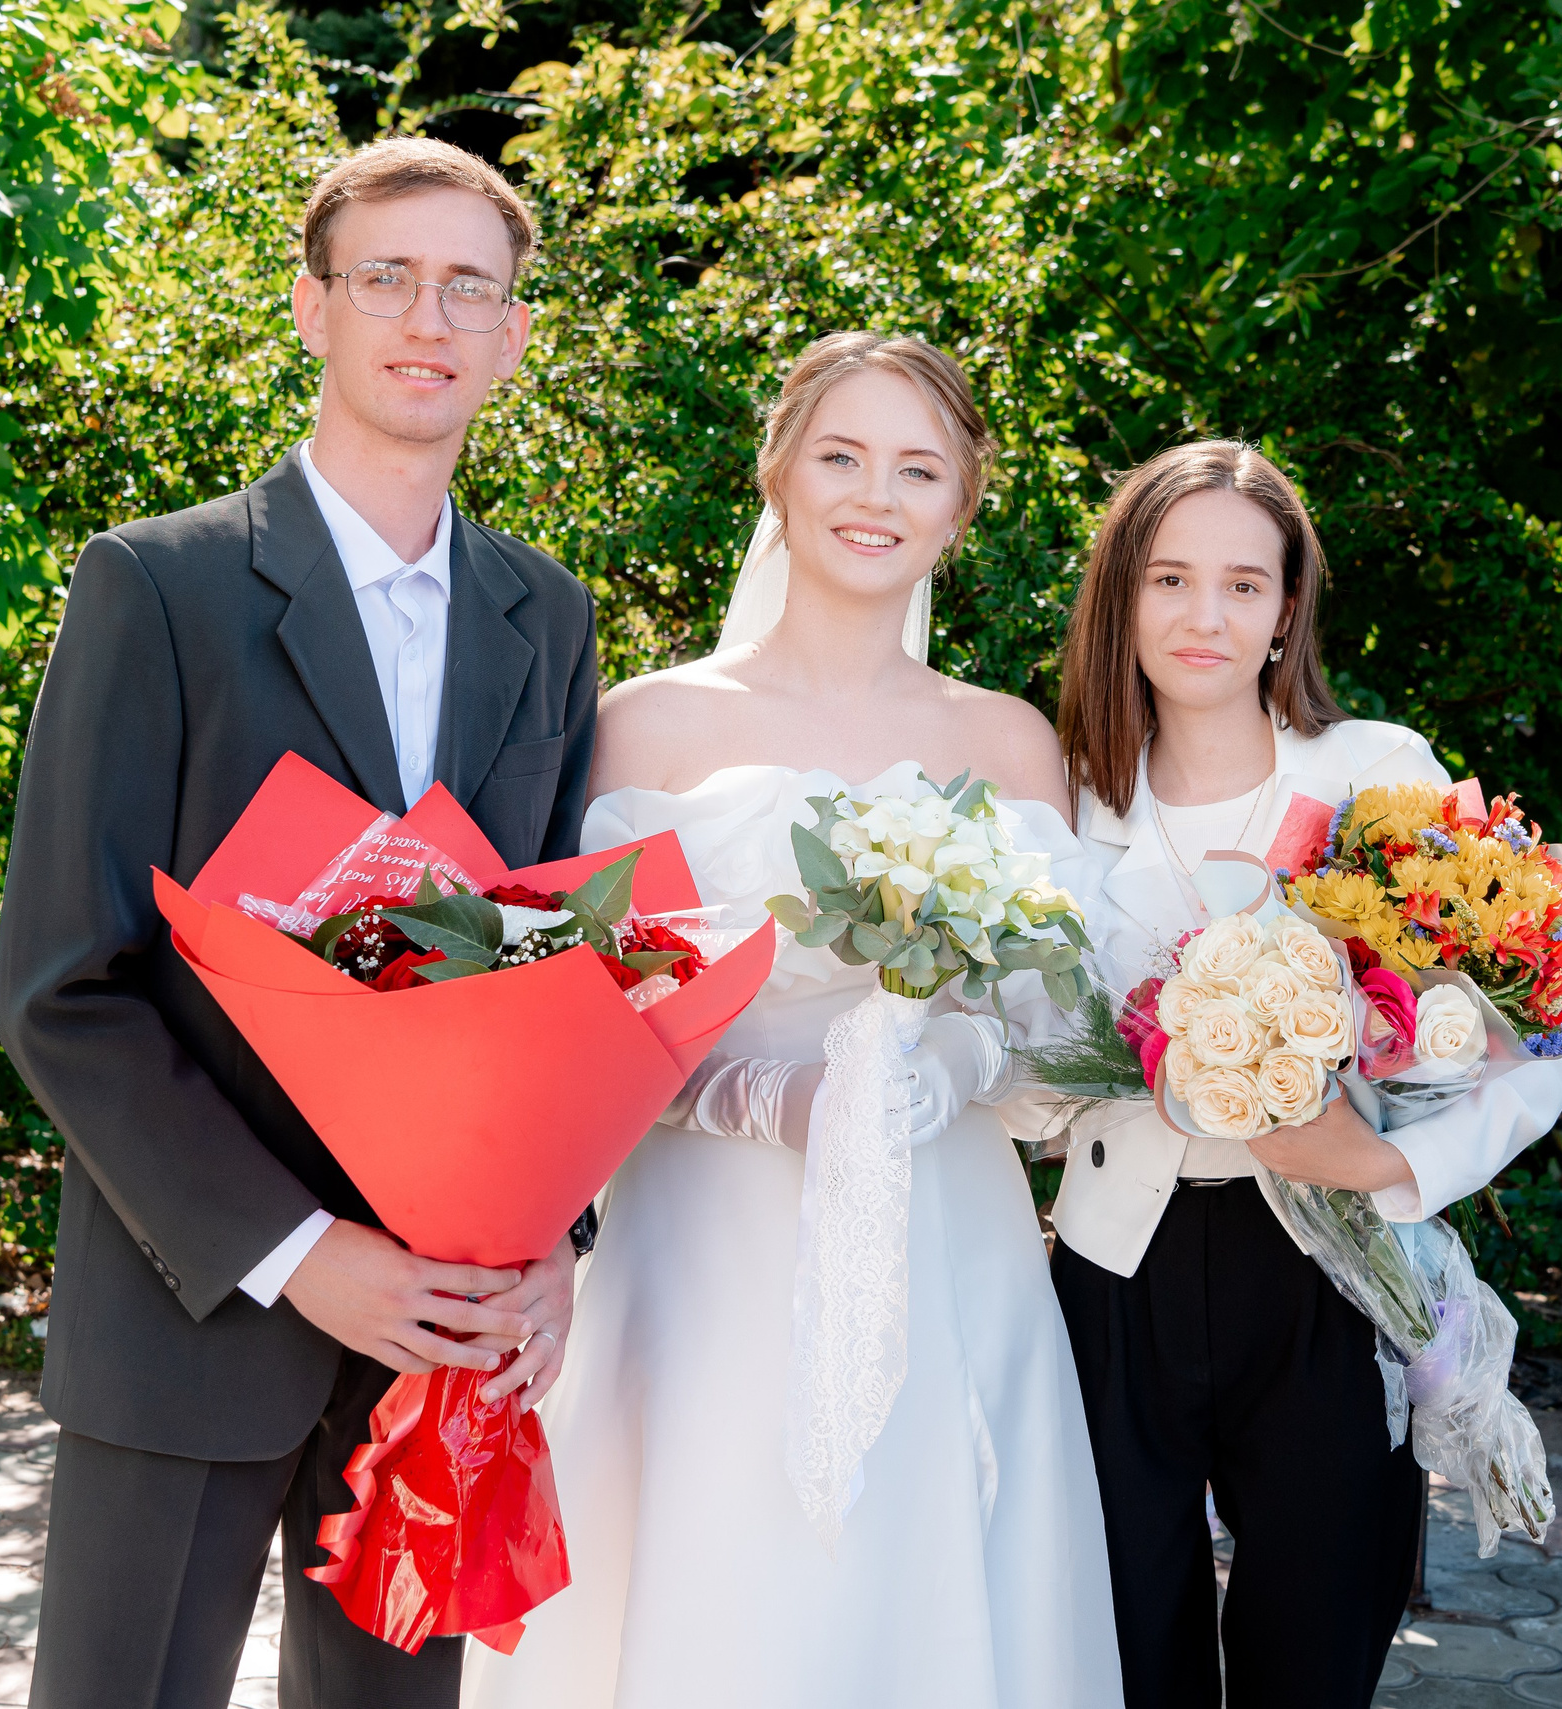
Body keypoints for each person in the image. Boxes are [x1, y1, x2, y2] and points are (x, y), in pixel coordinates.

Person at [0, 138, 601, 1709]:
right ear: (312, 307)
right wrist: (298, 1251)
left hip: (440, 1338)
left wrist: (550, 1248)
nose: (429, 313)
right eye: (388, 274)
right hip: (194, 1308)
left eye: (472, 284)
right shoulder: (158, 587)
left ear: (515, 333)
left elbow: (555, 980)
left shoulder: (550, 613)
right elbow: (66, 989)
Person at [459, 333, 1122, 1709]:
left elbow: (1061, 1029)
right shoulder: (645, 724)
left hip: (944, 1231)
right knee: (711, 1580)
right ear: (779, 471)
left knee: (921, 1585)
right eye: (841, 454)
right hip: (705, 1240)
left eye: (917, 467)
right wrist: (759, 1096)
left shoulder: (1006, 742)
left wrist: (957, 1058)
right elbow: (582, 1012)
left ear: (961, 504)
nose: (874, 494)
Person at [1046, 439, 1562, 1708]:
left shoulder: (1376, 776)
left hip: (1331, 1269)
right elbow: (1006, 1054)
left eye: (1242, 583)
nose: (1203, 616)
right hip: (1115, 1276)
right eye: (1168, 579)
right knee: (1119, 1658)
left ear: (1289, 607)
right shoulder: (1058, 794)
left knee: (1315, 1657)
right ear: (1120, 597)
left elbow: (1533, 1035)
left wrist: (1390, 1158)